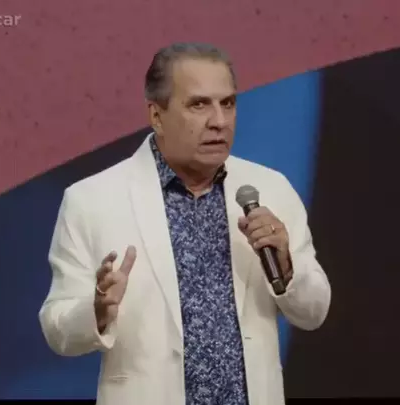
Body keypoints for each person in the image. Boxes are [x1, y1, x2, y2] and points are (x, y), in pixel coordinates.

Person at [38, 42, 332, 405]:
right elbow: (56, 328)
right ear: (156, 115)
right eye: (199, 105)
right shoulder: (92, 199)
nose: (219, 121)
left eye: (228, 103)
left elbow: (314, 312)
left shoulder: (270, 189)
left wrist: (287, 268)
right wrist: (96, 311)